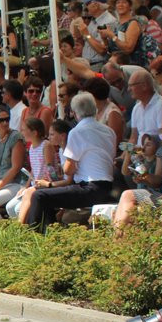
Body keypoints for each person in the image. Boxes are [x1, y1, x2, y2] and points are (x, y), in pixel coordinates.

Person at [24, 93, 116, 230]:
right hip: (108, 187)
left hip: (89, 188)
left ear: (73, 113)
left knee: (39, 195)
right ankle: (51, 233)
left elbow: (68, 169)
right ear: (95, 109)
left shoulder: (77, 132)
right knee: (46, 196)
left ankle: (36, 236)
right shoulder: (109, 131)